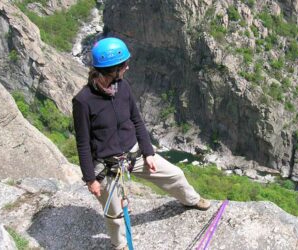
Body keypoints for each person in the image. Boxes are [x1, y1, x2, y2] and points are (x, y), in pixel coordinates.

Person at [72, 37, 211, 250]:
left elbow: (136, 120)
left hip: (133, 153)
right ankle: (119, 245)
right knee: (115, 214)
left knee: (175, 174)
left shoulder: (122, 87)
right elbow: (82, 143)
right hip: (107, 165)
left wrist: (148, 152)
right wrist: (90, 179)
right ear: (111, 69)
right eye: (123, 65)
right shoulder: (83, 101)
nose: (127, 67)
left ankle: (190, 199)